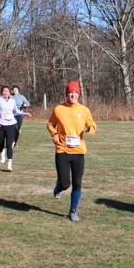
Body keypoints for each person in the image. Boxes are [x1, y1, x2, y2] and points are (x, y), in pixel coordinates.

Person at [46, 80, 97, 222]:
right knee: (65, 183)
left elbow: (91, 123)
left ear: (78, 94)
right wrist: (54, 134)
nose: (73, 95)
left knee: (77, 183)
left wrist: (91, 128)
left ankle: (73, 211)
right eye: (70, 93)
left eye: (75, 93)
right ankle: (59, 187)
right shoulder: (58, 109)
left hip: (79, 152)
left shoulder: (84, 110)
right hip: (62, 150)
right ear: (66, 94)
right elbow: (50, 124)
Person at [0, 86, 27, 172]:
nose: (6, 93)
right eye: (4, 91)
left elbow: (16, 111)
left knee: (9, 145)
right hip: (0, 125)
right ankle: (1, 152)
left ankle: (9, 165)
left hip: (11, 124)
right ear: (1, 92)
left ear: (10, 92)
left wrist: (26, 114)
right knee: (1, 144)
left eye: (7, 91)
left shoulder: (12, 101)